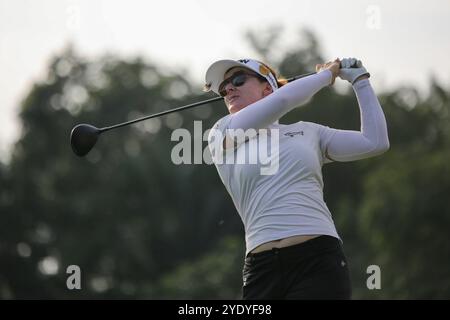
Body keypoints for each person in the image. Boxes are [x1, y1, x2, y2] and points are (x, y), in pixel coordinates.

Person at [203, 57, 389, 299]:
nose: (228, 89)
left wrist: (360, 81)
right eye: (223, 88)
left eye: (238, 80)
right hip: (261, 268)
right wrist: (326, 76)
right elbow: (283, 99)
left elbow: (374, 142)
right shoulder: (221, 134)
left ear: (267, 87)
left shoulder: (308, 132)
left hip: (317, 260)